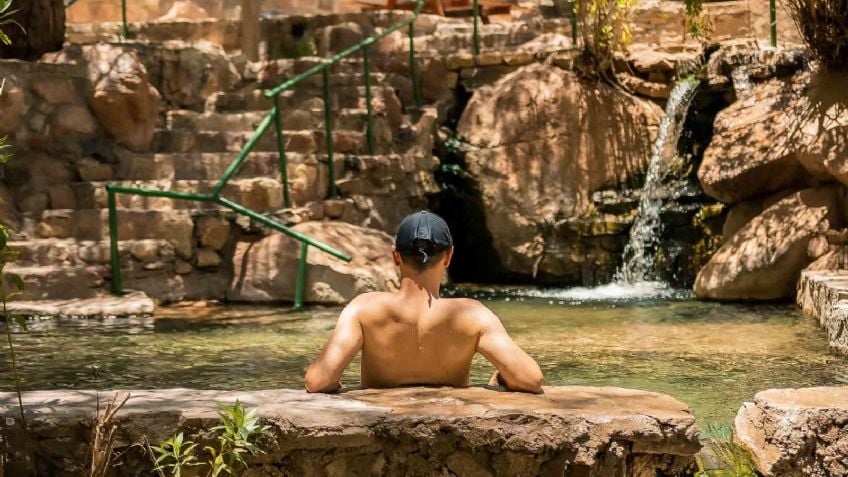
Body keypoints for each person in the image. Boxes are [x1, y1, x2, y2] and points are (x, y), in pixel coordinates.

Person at [304, 211, 544, 394]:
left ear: (395, 256)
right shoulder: (472, 315)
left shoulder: (363, 309)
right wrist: (500, 378)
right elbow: (530, 379)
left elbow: (319, 381)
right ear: (448, 256)